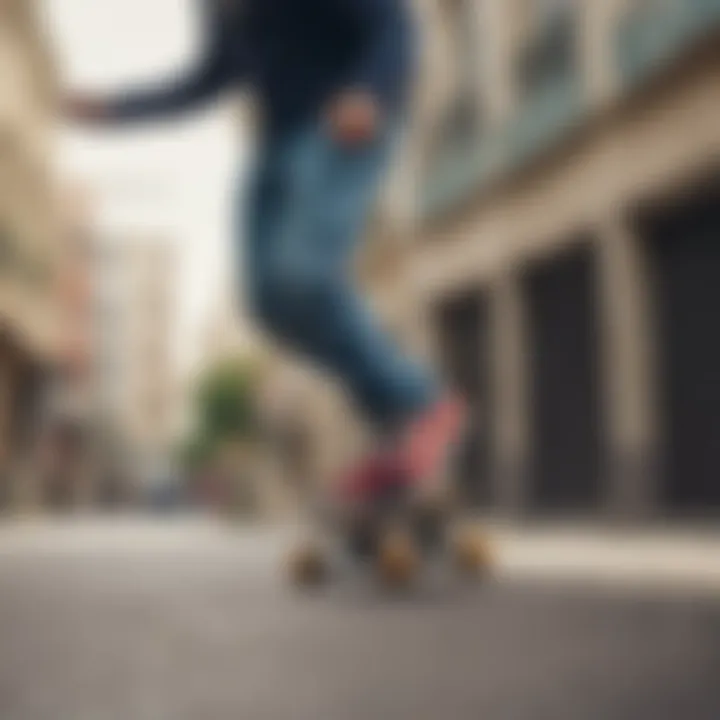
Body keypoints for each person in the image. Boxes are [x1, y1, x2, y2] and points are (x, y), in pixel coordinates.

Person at [66, 0, 464, 504]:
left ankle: (421, 403)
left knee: (304, 275)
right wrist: (113, 108)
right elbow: (205, 80)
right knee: (267, 303)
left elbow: (390, 22)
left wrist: (369, 89)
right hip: (275, 145)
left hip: (342, 123)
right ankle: (395, 418)